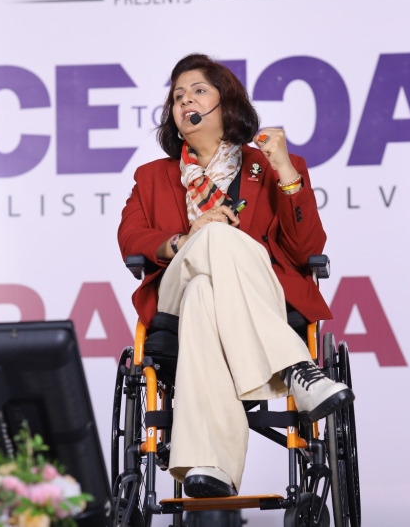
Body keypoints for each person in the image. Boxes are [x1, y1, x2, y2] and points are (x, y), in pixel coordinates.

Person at [117, 53, 354, 499]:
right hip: (173, 291)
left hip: (252, 294)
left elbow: (305, 248)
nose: (185, 101)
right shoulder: (151, 177)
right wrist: (186, 239)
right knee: (212, 237)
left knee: (205, 293)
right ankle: (294, 367)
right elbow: (132, 237)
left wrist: (285, 172)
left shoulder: (275, 167)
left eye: (198, 91)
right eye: (177, 96)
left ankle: (211, 463)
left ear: (227, 104)